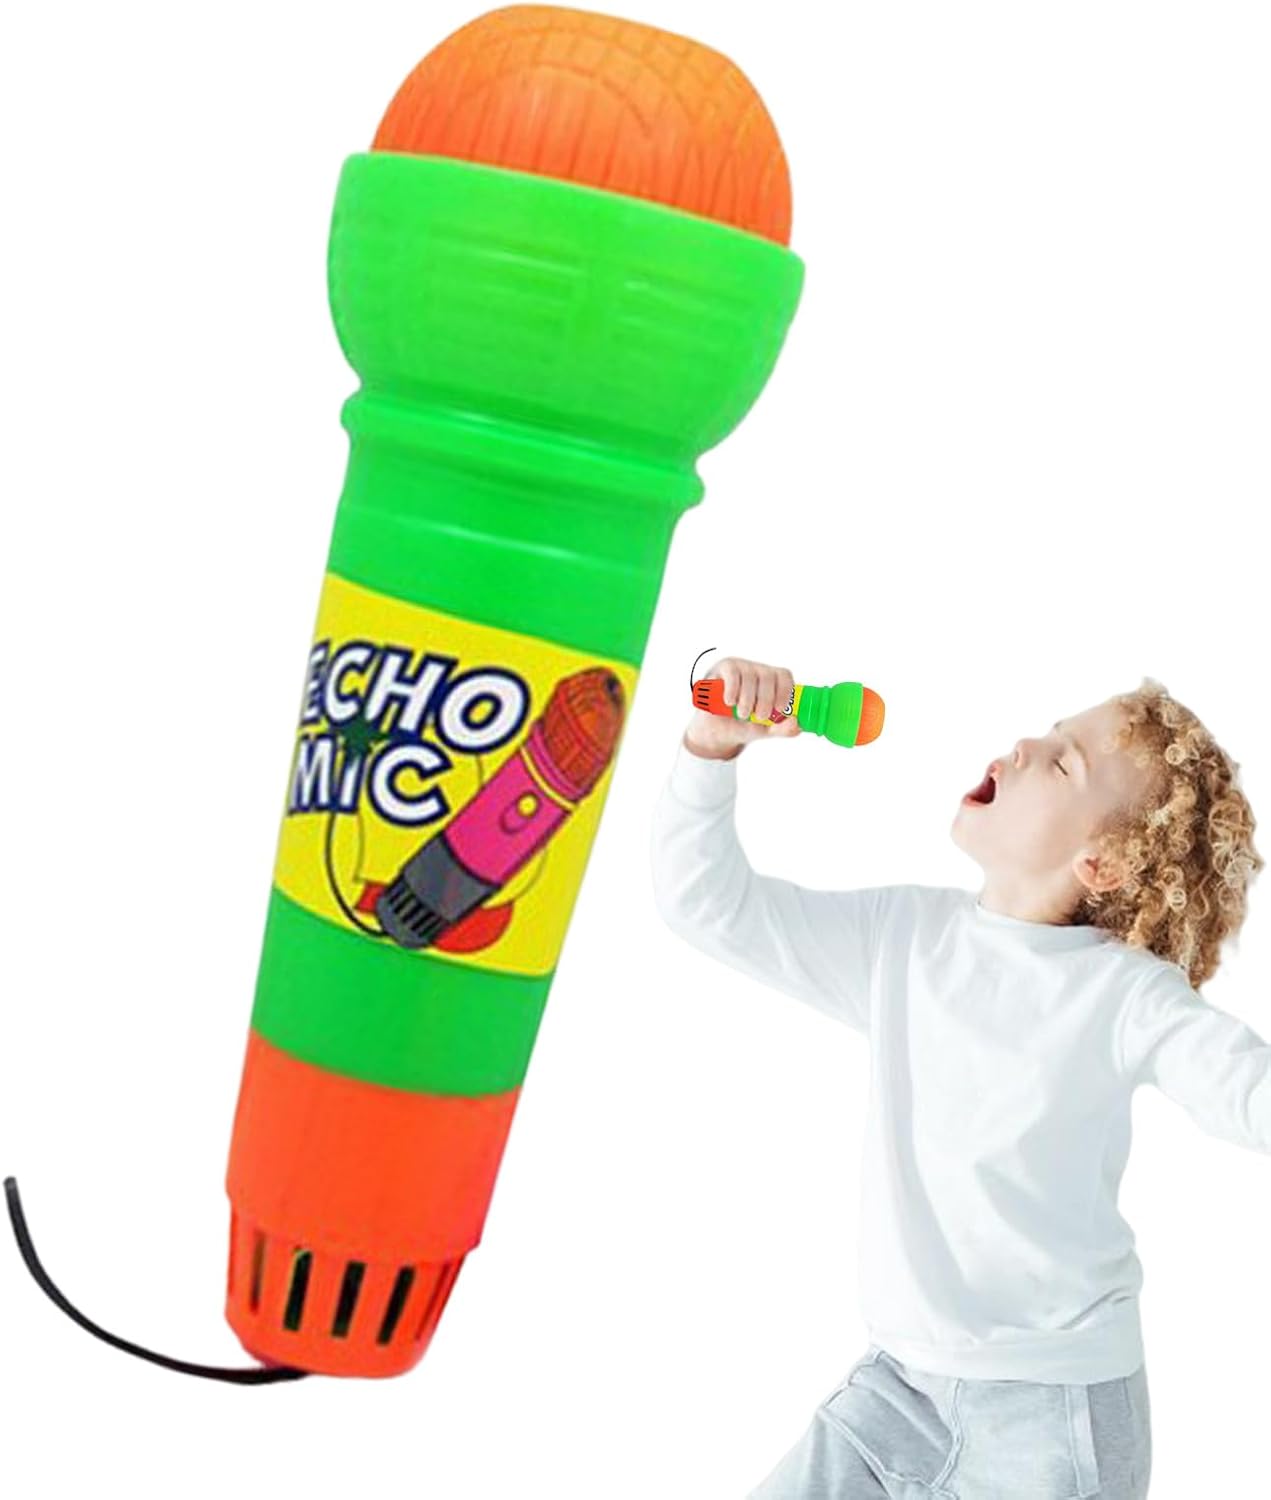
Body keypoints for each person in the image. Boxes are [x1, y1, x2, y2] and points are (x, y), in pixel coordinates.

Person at [649, 657, 1266, 1498]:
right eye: (1047, 734)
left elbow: (1241, 1087)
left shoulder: (1122, 994)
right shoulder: (901, 939)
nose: (1025, 746)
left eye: (1062, 763)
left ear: (1100, 865)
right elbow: (707, 905)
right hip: (899, 1387)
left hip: (1052, 1415)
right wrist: (708, 751)